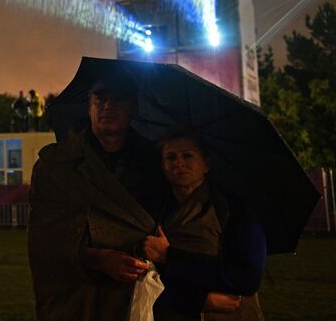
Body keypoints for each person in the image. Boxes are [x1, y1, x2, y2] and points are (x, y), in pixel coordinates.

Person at [28, 72, 163, 320]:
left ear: (133, 106)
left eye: (119, 99)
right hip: (76, 299)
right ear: (89, 105)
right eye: (100, 98)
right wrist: (96, 259)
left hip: (138, 296)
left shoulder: (157, 164)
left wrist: (164, 252)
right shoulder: (55, 165)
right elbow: (41, 243)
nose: (108, 106)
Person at [141, 130, 266, 320]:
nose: (179, 163)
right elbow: (145, 280)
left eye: (188, 155)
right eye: (171, 157)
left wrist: (170, 256)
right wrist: (198, 300)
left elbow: (246, 277)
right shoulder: (153, 211)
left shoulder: (234, 210)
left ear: (206, 164)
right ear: (162, 165)